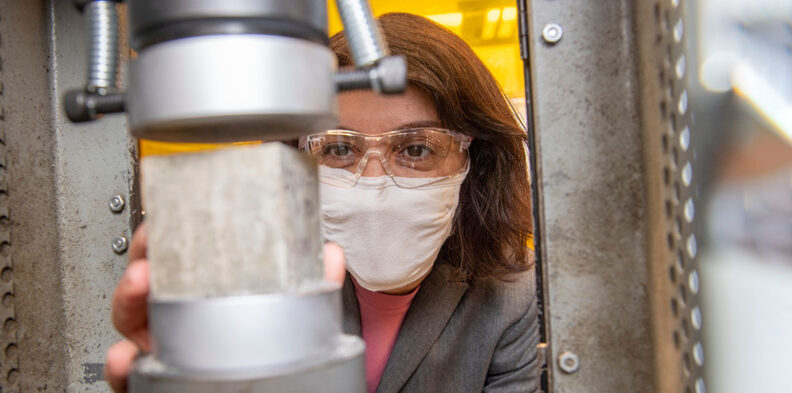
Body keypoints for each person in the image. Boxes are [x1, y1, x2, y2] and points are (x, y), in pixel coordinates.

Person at [106, 12, 539, 393]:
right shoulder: (249, 288)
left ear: (474, 163)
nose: (373, 188)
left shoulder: (510, 297)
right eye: (338, 148)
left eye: (416, 149)